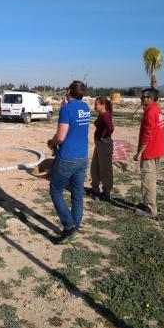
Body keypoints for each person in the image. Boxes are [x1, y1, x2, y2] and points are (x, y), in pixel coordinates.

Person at [48, 80, 90, 244]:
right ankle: (75, 227)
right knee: (77, 194)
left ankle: (69, 227)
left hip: (67, 157)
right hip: (82, 157)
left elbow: (61, 137)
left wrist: (52, 143)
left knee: (55, 190)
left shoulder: (66, 110)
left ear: (68, 91)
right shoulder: (85, 108)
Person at [133, 88, 164, 218]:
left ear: (150, 98)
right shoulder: (157, 110)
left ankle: (150, 209)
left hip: (150, 152)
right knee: (152, 179)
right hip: (157, 150)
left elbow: (147, 134)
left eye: (143, 97)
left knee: (148, 180)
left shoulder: (151, 112)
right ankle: (149, 204)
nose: (141, 99)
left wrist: (139, 152)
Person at [89, 97, 114, 201]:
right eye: (94, 104)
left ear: (103, 105)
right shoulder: (101, 114)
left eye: (97, 104)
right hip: (99, 144)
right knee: (95, 167)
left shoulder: (105, 115)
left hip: (104, 145)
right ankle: (95, 190)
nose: (95, 106)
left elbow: (111, 128)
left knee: (105, 169)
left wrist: (103, 136)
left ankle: (106, 192)